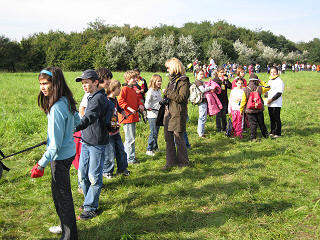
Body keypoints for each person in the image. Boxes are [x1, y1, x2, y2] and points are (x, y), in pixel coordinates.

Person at [30, 67, 79, 239]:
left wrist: (40, 164)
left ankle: (69, 236)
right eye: (40, 84)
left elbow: (55, 146)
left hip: (60, 157)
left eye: (45, 83)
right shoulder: (66, 100)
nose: (42, 87)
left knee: (63, 198)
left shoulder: (57, 107)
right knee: (59, 194)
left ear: (55, 83)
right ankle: (64, 227)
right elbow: (77, 121)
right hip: (68, 152)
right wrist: (63, 134)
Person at [74, 69, 111, 220]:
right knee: (82, 175)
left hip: (96, 142)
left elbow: (89, 117)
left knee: (94, 176)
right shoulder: (90, 96)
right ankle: (88, 201)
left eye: (87, 82)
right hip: (86, 140)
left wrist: (74, 127)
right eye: (82, 83)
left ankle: (90, 207)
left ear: (95, 82)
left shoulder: (98, 99)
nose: (84, 85)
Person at [162, 57, 190, 169]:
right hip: (168, 112)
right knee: (168, 139)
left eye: (168, 68)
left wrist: (167, 92)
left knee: (179, 138)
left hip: (178, 113)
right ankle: (170, 162)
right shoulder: (172, 81)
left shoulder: (183, 81)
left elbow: (182, 98)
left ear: (174, 67)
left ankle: (183, 163)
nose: (167, 70)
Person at [103, 79, 130, 178]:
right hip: (109, 133)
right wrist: (113, 125)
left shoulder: (114, 100)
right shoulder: (106, 101)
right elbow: (108, 117)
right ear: (113, 89)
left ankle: (122, 169)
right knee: (110, 153)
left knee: (121, 151)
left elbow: (118, 108)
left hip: (116, 131)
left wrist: (123, 112)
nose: (120, 90)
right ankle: (107, 171)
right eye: (119, 88)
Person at [118, 70, 145, 164]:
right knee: (130, 139)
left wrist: (141, 104)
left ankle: (130, 157)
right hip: (127, 117)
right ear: (127, 79)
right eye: (132, 78)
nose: (135, 79)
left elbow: (138, 98)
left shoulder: (133, 88)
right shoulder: (124, 89)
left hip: (133, 116)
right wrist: (129, 109)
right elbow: (120, 102)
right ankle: (129, 159)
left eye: (135, 77)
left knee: (131, 138)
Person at [240, 73, 270, 141]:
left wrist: (241, 110)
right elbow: (268, 87)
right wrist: (261, 81)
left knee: (252, 124)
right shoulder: (260, 88)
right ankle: (266, 135)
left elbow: (243, 101)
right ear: (256, 80)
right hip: (259, 109)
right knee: (261, 123)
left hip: (249, 110)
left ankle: (253, 137)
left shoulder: (245, 89)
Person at [144, 74, 163, 156]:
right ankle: (149, 149)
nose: (160, 83)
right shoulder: (150, 91)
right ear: (153, 81)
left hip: (158, 114)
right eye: (158, 81)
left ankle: (155, 147)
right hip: (152, 115)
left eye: (160, 81)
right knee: (153, 132)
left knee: (156, 132)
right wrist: (149, 108)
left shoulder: (158, 91)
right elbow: (146, 104)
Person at [267, 67, 285, 138]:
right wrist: (266, 100)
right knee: (271, 118)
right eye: (271, 72)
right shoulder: (270, 81)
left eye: (274, 72)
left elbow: (279, 93)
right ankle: (272, 131)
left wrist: (271, 100)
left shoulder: (279, 81)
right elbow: (267, 90)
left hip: (276, 103)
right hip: (269, 103)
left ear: (277, 72)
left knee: (276, 117)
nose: (273, 73)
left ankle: (278, 133)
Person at [213, 67, 232, 132]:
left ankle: (224, 127)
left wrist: (226, 80)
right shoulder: (215, 80)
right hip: (217, 100)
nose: (223, 73)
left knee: (223, 114)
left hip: (224, 99)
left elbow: (230, 86)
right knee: (218, 115)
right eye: (221, 72)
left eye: (223, 72)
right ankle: (219, 128)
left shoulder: (225, 80)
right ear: (217, 73)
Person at [194, 69, 211, 138]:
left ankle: (200, 131)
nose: (202, 75)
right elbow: (202, 90)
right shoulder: (198, 82)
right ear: (196, 75)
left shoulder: (201, 81)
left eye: (203, 74)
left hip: (203, 100)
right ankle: (201, 133)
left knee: (203, 116)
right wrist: (210, 87)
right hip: (202, 101)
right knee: (202, 117)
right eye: (200, 74)